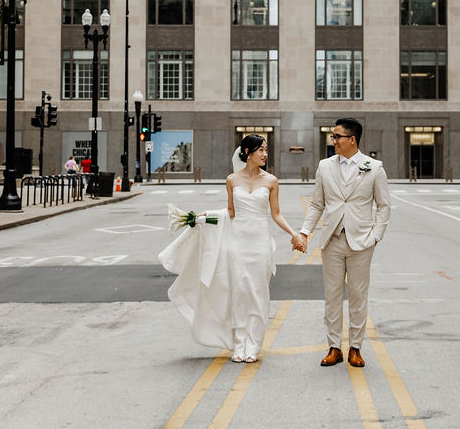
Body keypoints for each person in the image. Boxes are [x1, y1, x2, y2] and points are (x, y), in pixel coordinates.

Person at [159, 134, 302, 364]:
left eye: (266, 150)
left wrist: (294, 233)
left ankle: (253, 344)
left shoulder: (271, 181)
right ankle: (239, 343)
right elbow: (231, 212)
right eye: (261, 150)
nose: (265, 154)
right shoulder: (232, 180)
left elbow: (275, 214)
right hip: (238, 243)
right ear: (247, 152)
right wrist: (207, 216)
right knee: (239, 292)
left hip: (259, 244)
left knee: (257, 293)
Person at [299, 118, 390, 368]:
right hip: (332, 240)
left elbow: (383, 206)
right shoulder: (324, 166)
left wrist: (376, 236)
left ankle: (356, 348)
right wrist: (305, 232)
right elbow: (317, 203)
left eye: (337, 136)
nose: (334, 141)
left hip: (362, 242)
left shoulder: (374, 167)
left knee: (359, 296)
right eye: (333, 136)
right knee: (332, 296)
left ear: (352, 140)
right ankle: (334, 347)